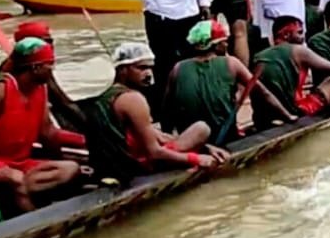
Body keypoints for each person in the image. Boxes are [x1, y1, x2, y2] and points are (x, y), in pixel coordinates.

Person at [0, 37, 84, 211]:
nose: (53, 70)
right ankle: (36, 222)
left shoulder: (40, 89)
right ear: (35, 67)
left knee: (70, 168)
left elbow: (47, 132)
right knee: (16, 179)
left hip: (22, 161)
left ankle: (20, 193)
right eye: (49, 65)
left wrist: (83, 140)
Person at [83, 41, 228, 181]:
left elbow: (158, 136)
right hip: (134, 167)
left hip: (112, 165)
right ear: (123, 70)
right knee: (201, 129)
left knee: (199, 130)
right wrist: (195, 158)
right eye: (141, 68)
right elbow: (154, 152)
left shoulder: (105, 95)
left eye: (150, 68)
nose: (148, 74)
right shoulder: (133, 99)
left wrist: (206, 148)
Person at [164, 17, 294, 137]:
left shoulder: (177, 68)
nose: (226, 45)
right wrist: (288, 116)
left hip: (190, 138)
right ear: (215, 44)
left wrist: (169, 139)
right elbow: (263, 93)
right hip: (225, 137)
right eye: (223, 42)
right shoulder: (231, 63)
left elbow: (166, 108)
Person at [249, 14, 330, 126]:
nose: (303, 37)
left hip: (262, 117)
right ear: (286, 34)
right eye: (300, 32)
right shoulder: (299, 51)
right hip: (294, 112)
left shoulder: (259, 56)